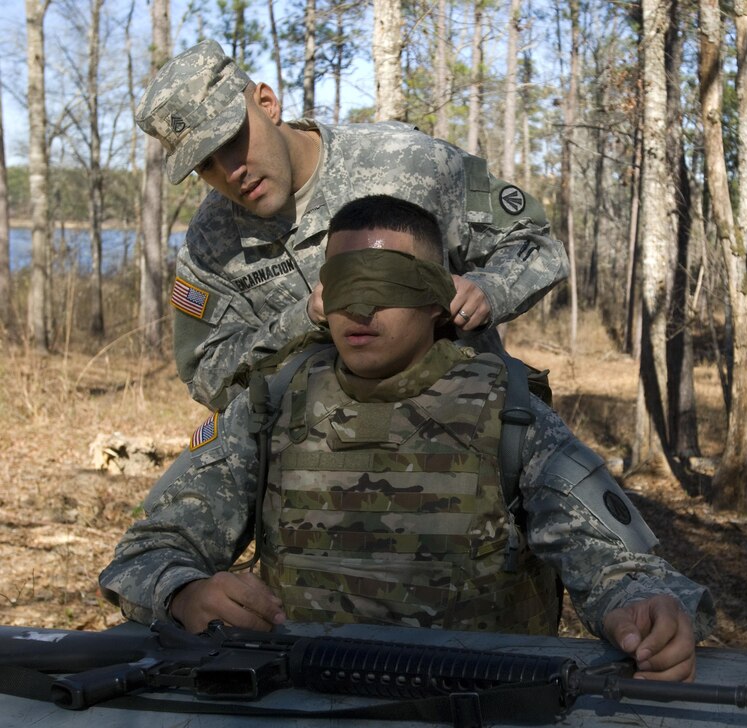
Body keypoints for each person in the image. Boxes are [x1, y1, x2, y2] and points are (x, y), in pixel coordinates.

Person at [99, 195, 714, 682]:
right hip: (298, 699)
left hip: (474, 704)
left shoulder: (512, 416)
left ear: (438, 296)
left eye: (387, 285)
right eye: (345, 283)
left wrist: (647, 614)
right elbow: (148, 551)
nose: (360, 310)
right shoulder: (269, 405)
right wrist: (185, 593)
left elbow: (621, 566)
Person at [137, 39, 568, 410]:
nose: (230, 172)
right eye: (206, 165)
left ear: (267, 104)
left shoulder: (408, 162)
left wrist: (489, 290)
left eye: (232, 140)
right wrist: (302, 319)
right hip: (318, 467)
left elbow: (536, 244)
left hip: (460, 433)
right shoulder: (211, 244)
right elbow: (207, 376)